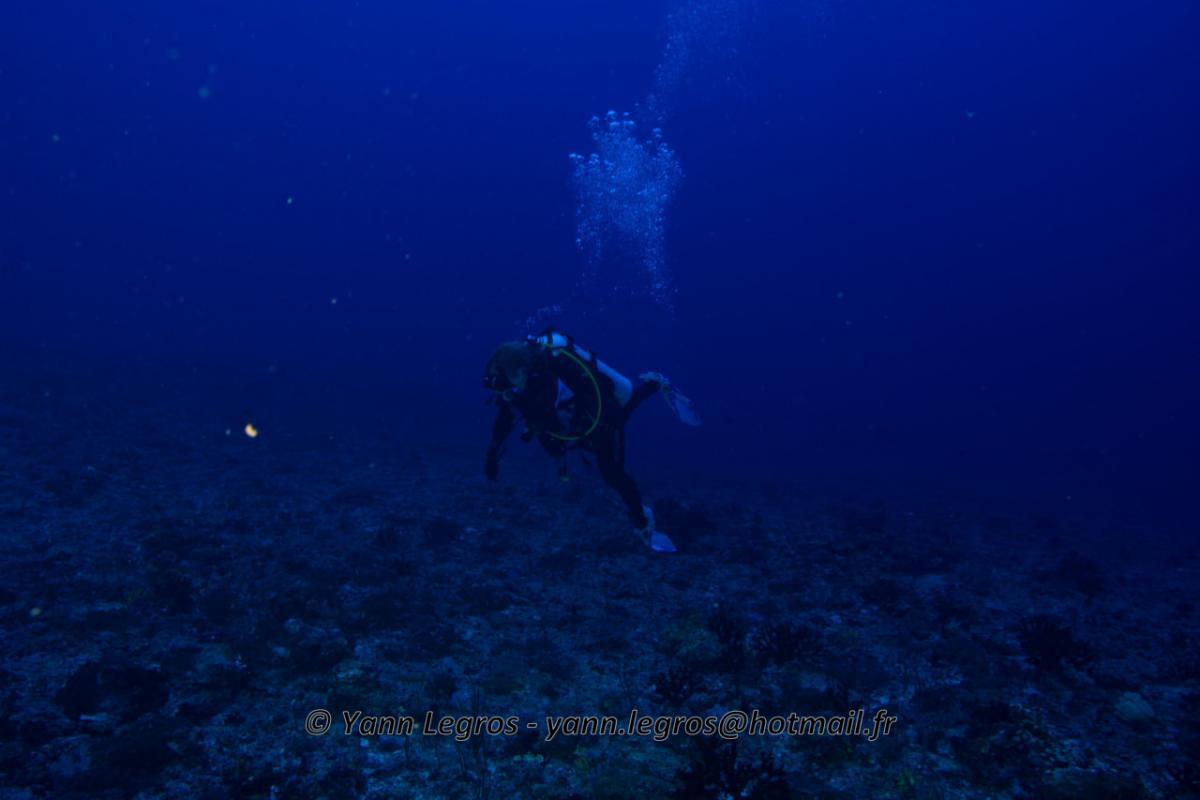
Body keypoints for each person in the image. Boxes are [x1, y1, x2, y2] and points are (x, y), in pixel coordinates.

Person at [483, 329, 700, 552]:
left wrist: (516, 401)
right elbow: (507, 417)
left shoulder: (545, 379)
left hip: (602, 417)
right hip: (577, 421)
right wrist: (492, 453)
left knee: (612, 471)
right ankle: (654, 384)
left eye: (505, 378)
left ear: (519, 371)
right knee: (619, 416)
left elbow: (543, 415)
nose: (503, 388)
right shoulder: (518, 383)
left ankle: (644, 524)